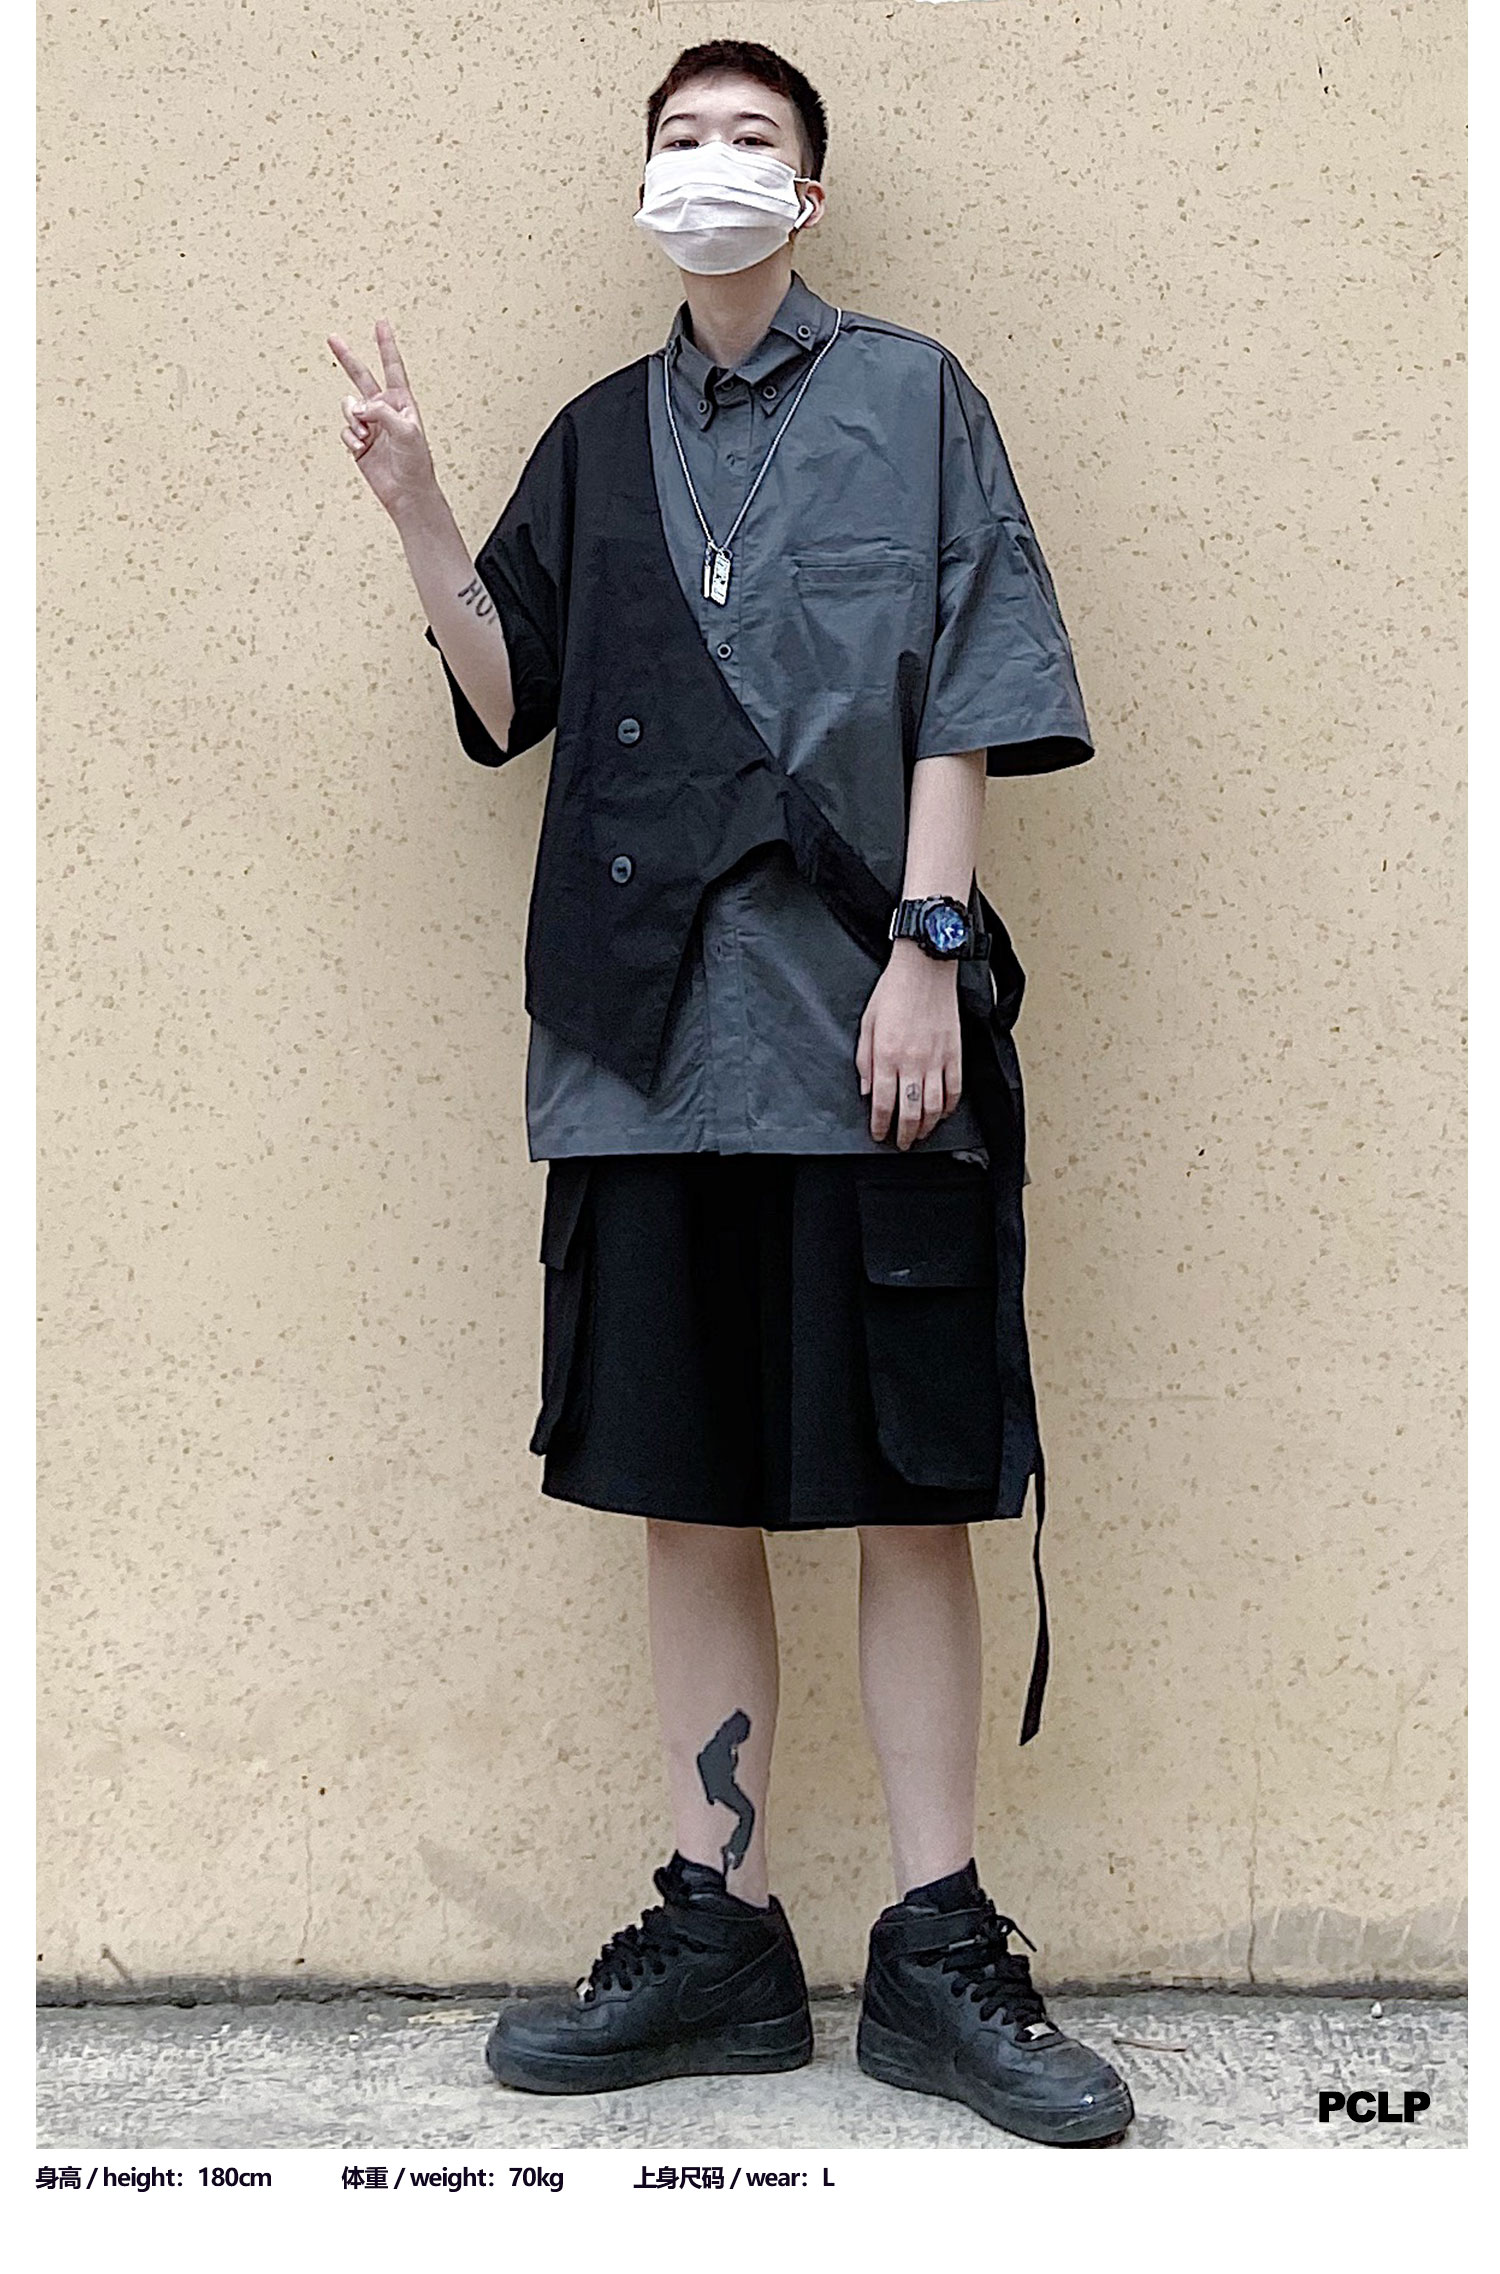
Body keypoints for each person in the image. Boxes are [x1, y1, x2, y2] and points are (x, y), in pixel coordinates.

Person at [328, 37, 1134, 2149]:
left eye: (750, 139)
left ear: (811, 190)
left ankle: (940, 1946)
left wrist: (928, 950)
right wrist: (419, 513)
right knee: (684, 1491)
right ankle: (724, 1932)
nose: (711, 165)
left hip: (871, 1034)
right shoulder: (596, 441)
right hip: (644, 1056)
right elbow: (508, 691)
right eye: (681, 137)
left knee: (907, 1490)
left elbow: (969, 678)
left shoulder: (916, 401)